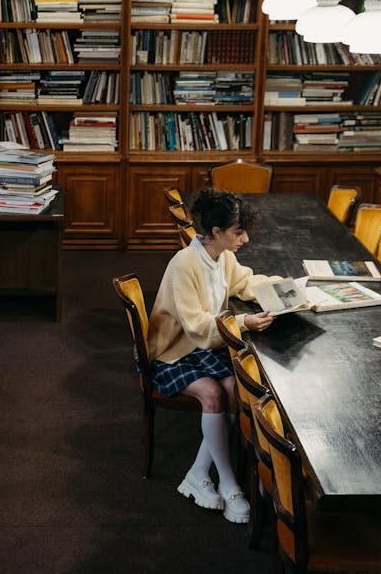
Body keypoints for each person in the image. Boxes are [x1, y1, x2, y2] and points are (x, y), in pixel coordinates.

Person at [147, 188, 275, 523]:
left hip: (203, 346)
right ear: (216, 232)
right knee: (213, 393)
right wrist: (243, 322)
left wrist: (286, 289)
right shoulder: (184, 266)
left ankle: (199, 472)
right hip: (173, 353)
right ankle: (230, 482)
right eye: (238, 232)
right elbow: (197, 327)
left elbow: (245, 284)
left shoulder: (223, 257)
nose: (244, 239)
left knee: (237, 388)